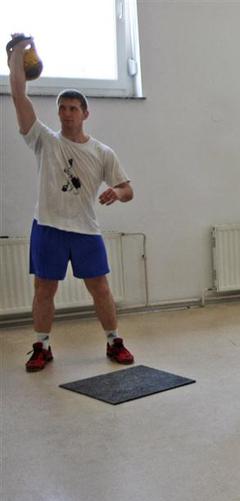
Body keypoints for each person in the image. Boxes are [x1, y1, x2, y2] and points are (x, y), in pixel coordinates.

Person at [7, 35, 135, 372]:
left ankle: (114, 341)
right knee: (44, 289)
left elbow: (128, 189)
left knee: (101, 288)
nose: (66, 114)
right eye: (62, 108)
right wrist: (17, 54)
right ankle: (42, 346)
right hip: (48, 227)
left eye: (73, 108)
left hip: (85, 230)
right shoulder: (44, 140)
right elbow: (19, 94)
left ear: (85, 113)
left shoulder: (102, 152)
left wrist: (116, 193)